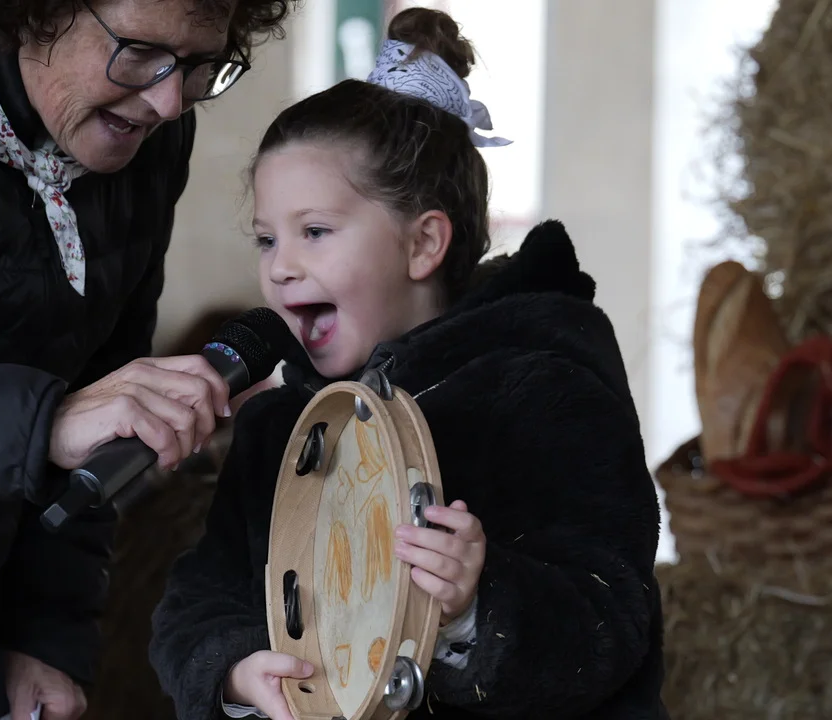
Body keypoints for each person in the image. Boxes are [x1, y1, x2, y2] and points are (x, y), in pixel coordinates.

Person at [149, 7, 668, 720]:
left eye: (315, 231)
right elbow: (199, 599)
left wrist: (474, 605)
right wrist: (236, 669)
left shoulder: (541, 389)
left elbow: (611, 618)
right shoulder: (280, 430)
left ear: (423, 244)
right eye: (267, 240)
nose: (282, 268)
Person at [0, 0, 297, 718]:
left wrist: (47, 638)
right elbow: (70, 420)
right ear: (32, 12)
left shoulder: (147, 139)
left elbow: (110, 406)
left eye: (199, 64)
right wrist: (46, 423)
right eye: (139, 51)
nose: (168, 102)